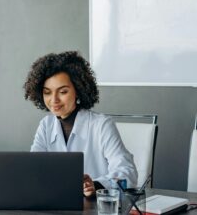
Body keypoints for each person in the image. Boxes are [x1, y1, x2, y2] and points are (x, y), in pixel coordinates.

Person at [23, 51, 137, 197]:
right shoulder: (46, 125)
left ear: (78, 90)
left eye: (63, 92)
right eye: (47, 92)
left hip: (96, 207)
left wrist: (96, 185)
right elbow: (33, 168)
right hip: (57, 203)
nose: (54, 100)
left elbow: (128, 174)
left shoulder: (102, 125)